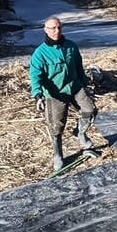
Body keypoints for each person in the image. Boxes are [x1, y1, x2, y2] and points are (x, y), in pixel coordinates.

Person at [29, 16, 97, 171]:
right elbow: (35, 76)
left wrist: (85, 84)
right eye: (52, 28)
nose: (56, 31)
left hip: (75, 87)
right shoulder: (40, 54)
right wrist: (38, 95)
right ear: (45, 30)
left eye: (59, 27)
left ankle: (81, 134)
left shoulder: (71, 46)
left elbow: (79, 67)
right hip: (55, 93)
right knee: (56, 127)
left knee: (90, 110)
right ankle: (58, 155)